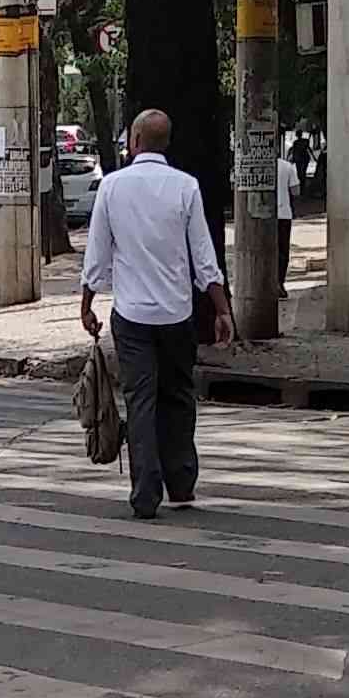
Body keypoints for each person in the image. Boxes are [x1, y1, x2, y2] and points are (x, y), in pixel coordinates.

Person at [78, 106, 222, 521]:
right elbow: (204, 258)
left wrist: (86, 305)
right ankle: (182, 482)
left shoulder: (112, 187)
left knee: (140, 401)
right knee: (178, 396)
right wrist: (222, 309)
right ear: (166, 143)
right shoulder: (186, 187)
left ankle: (145, 493)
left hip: (132, 316)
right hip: (177, 314)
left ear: (135, 141)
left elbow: (97, 256)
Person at [274, 133, 297, 285]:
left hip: (265, 215)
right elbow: (295, 190)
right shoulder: (287, 167)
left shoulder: (262, 167)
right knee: (283, 250)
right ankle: (280, 282)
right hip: (284, 213)